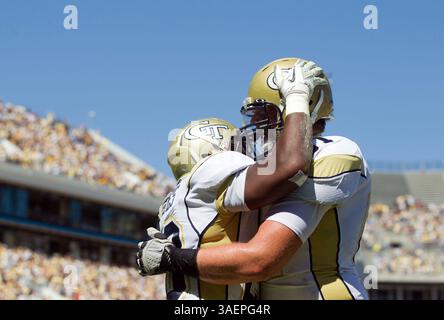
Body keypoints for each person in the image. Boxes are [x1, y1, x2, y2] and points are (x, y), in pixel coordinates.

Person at [137, 57, 371, 300]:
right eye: (256, 115)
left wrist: (173, 258)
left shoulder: (334, 152)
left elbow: (260, 260)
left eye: (266, 113)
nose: (257, 124)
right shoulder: (260, 169)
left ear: (303, 107)